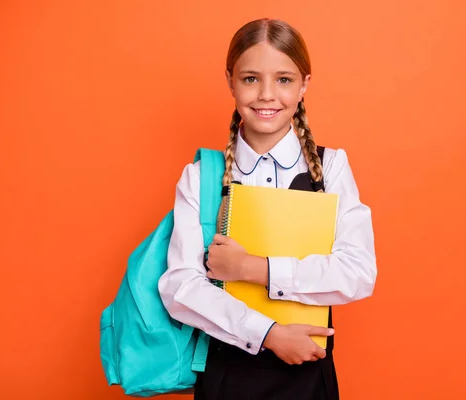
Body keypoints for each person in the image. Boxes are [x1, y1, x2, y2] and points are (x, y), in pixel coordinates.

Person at [158, 18, 377, 400]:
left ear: (304, 84)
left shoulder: (331, 168)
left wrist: (252, 268)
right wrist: (268, 334)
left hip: (309, 375)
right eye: (250, 79)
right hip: (227, 376)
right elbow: (180, 287)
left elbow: (358, 273)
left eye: (284, 79)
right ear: (230, 80)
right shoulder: (202, 177)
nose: (266, 94)